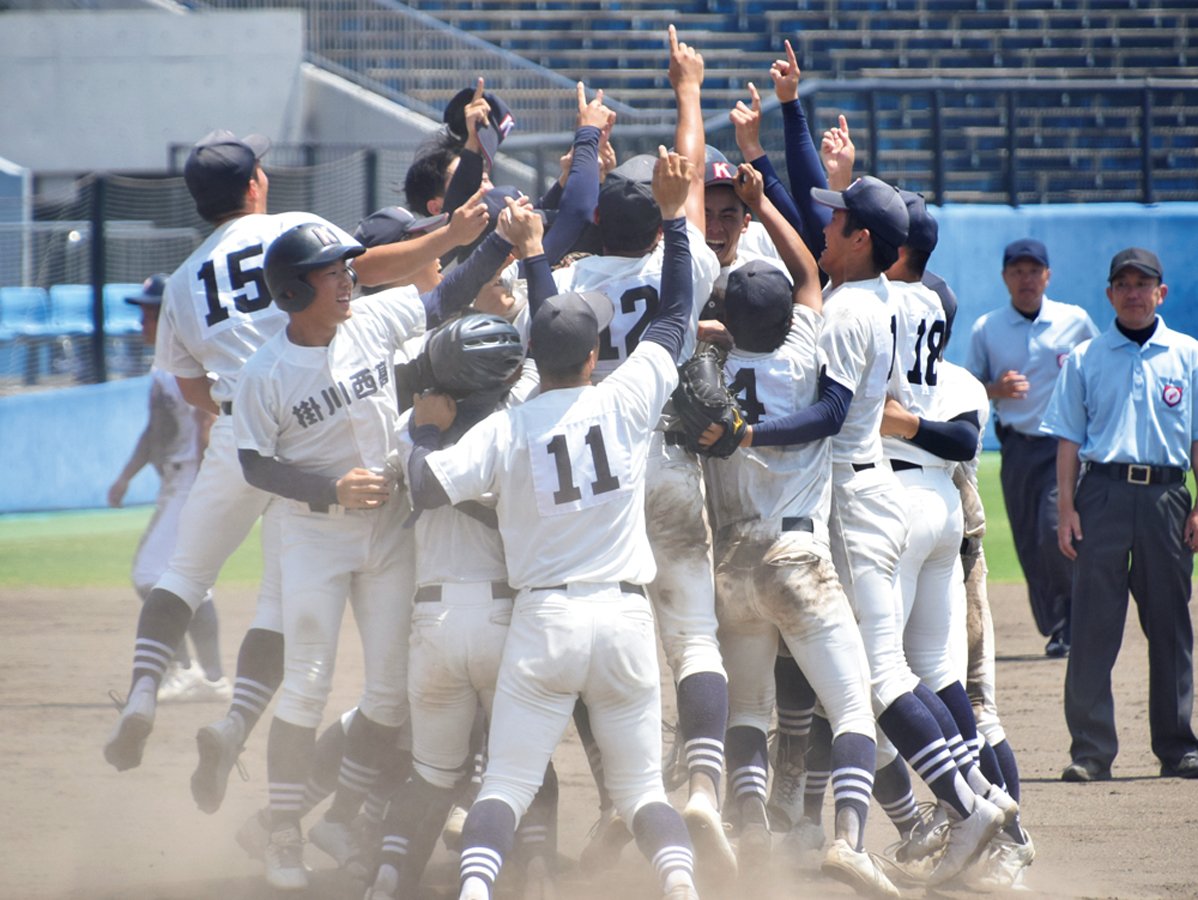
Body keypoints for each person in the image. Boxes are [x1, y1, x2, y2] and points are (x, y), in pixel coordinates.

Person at [406, 146, 702, 900]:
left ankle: (476, 892)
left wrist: (427, 431)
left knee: (504, 786)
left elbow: (425, 486)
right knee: (642, 794)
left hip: (543, 624)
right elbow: (675, 315)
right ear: (596, 353)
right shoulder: (626, 399)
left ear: (531, 354)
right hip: (625, 620)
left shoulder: (507, 428)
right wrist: (674, 219)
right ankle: (681, 889)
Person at [698, 212, 899, 895]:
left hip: (731, 560)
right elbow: (809, 273)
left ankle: (751, 829)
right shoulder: (808, 343)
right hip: (796, 552)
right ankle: (849, 840)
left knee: (747, 712)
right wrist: (762, 204)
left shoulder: (710, 371)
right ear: (786, 314)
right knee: (851, 708)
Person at [1041, 247, 1198, 783]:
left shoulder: (1188, 355)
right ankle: (1090, 750)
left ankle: (1177, 746)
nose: (1133, 293)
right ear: (1109, 294)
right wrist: (1066, 507)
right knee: (1092, 626)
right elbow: (1068, 439)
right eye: (1123, 284)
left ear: (1161, 293)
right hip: (1102, 494)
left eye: (1143, 284)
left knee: (1171, 624)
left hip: (1166, 497)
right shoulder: (1086, 357)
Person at [965, 239, 1098, 657]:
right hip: (1017, 447)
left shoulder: (1073, 321)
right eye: (1017, 272)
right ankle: (1058, 625)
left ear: (1048, 276)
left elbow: (1100, 367)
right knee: (1028, 540)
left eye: (1034, 271)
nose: (1026, 279)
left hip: (1063, 446)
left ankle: (1073, 622)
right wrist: (995, 388)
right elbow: (968, 386)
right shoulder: (988, 328)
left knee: (1052, 529)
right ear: (1005, 277)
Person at [107, 273, 228, 704]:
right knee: (187, 579)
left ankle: (189, 670)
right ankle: (209, 677)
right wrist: (126, 476)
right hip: (180, 481)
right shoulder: (163, 366)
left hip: (191, 480)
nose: (143, 322)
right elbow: (154, 430)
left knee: (150, 574)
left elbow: (207, 419)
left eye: (151, 314)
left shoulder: (188, 359)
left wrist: (207, 487)